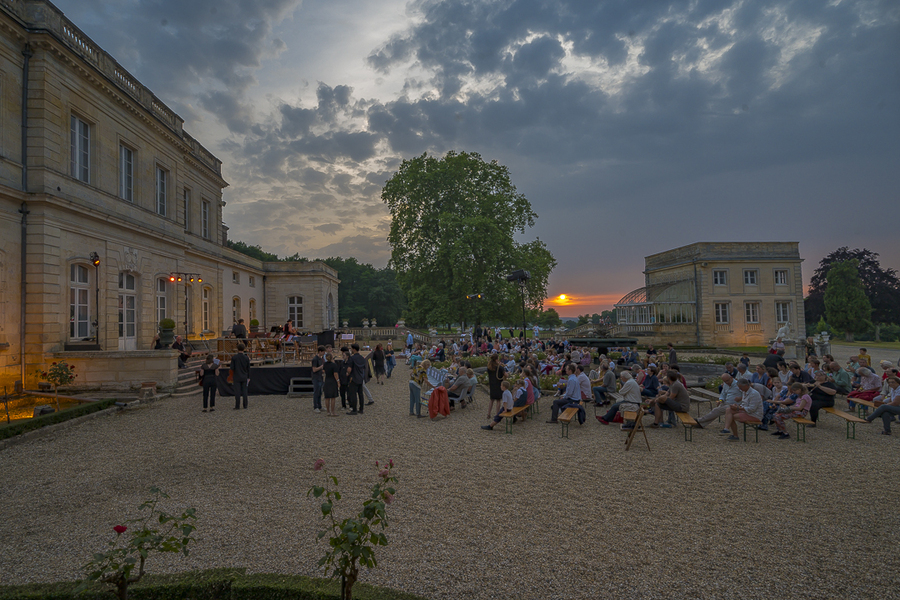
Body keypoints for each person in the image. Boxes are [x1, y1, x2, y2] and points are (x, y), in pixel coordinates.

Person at [346, 343, 368, 415]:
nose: (351, 350)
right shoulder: (362, 358)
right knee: (360, 394)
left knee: (353, 394)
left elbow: (349, 369)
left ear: (354, 349)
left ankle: (354, 410)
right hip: (360, 377)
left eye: (351, 349)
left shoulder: (352, 358)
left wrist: (348, 373)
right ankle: (361, 409)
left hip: (354, 377)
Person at [486, 353, 507, 420]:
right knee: (498, 400)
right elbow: (506, 375)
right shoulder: (499, 367)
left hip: (492, 384)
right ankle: (497, 414)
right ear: (496, 359)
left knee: (491, 400)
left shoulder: (489, 367)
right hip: (498, 384)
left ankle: (488, 414)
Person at [231, 343, 250, 410]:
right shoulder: (246, 358)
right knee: (244, 391)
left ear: (237, 349)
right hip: (244, 376)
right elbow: (248, 368)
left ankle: (237, 405)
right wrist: (249, 377)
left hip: (237, 376)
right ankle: (245, 405)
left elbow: (232, 368)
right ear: (244, 349)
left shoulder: (234, 358)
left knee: (237, 392)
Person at [323, 352, 339, 417]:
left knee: (327, 397)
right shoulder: (334, 365)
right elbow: (335, 374)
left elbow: (323, 371)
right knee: (332, 397)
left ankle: (328, 411)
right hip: (332, 381)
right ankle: (332, 411)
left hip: (327, 380)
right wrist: (338, 381)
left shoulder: (325, 364)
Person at [311, 345, 325, 413]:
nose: (324, 353)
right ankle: (315, 406)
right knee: (316, 392)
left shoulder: (321, 359)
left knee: (320, 392)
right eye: (323, 352)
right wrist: (321, 367)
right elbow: (314, 369)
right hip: (316, 378)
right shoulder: (315, 359)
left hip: (320, 377)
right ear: (320, 351)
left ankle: (319, 406)